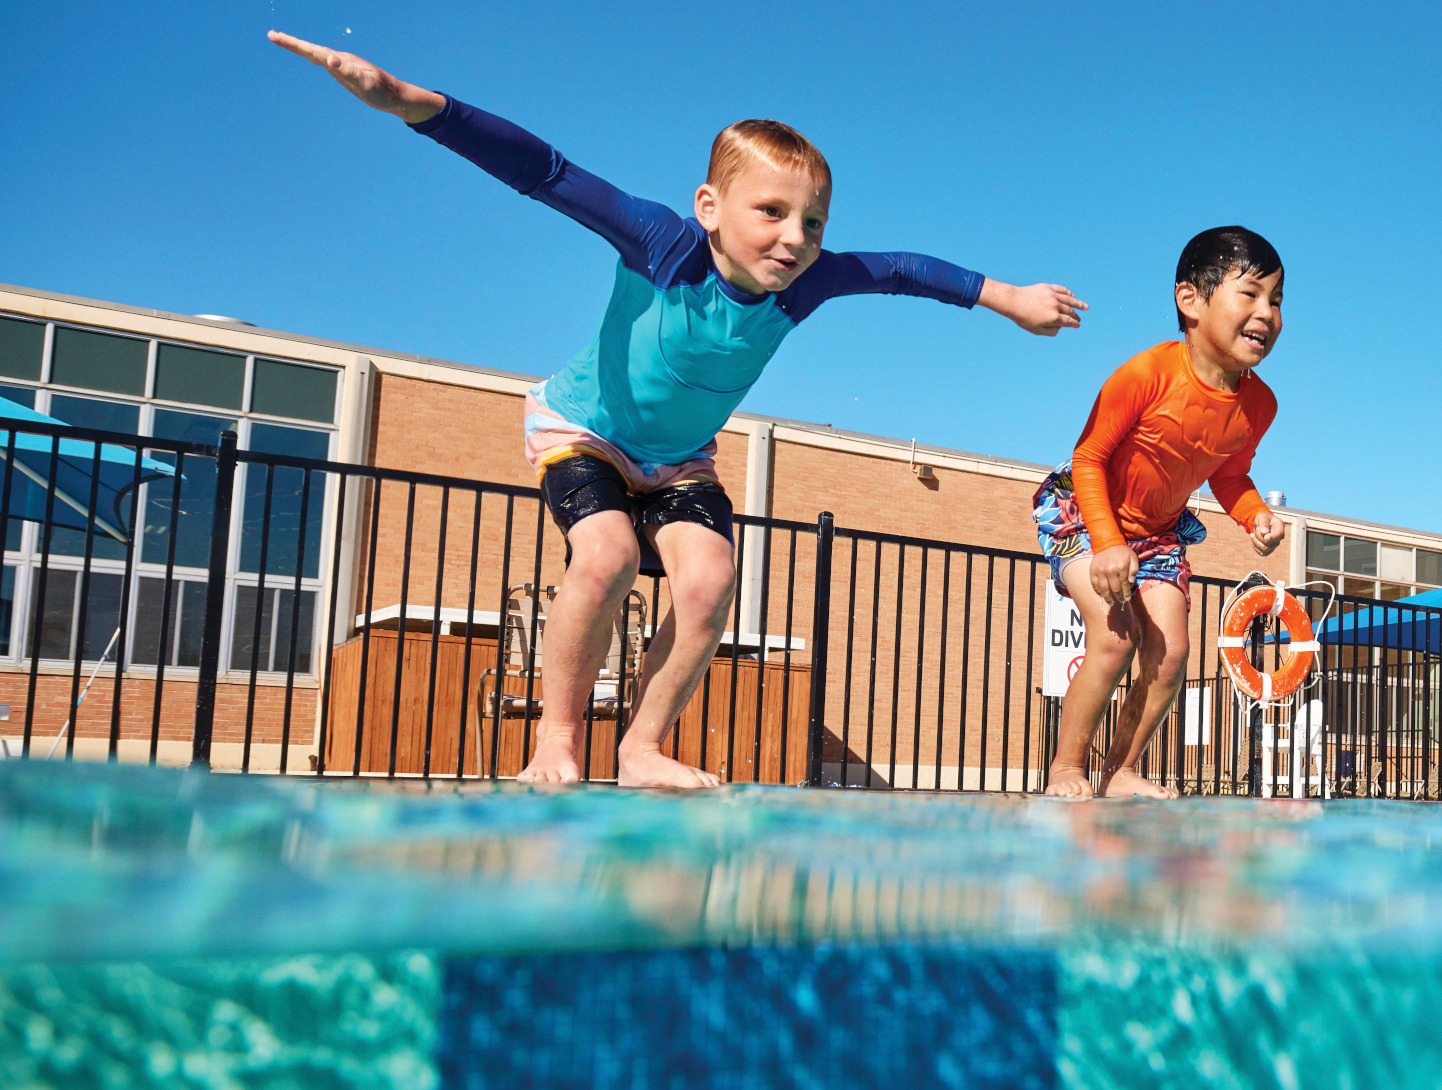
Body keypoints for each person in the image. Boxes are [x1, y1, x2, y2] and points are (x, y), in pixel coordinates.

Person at [272, 32, 1087, 788]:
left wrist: (1009, 297)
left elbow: (902, 269)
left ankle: (640, 748)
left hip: (677, 460)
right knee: (605, 559)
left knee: (710, 579)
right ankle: (556, 739)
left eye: (812, 222)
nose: (795, 238)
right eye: (771, 212)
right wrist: (415, 104)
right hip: (583, 431)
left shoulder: (806, 285)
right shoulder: (660, 243)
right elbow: (546, 172)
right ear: (710, 208)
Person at [1035, 228, 1290, 799]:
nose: (1266, 313)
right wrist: (1105, 543)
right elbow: (1090, 457)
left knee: (1172, 650)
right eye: (1249, 294)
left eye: (1276, 300)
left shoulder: (1259, 404)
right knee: (1115, 637)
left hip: (1156, 532)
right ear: (1190, 300)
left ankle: (1120, 770)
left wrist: (1253, 516)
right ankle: (1066, 767)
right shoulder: (1146, 375)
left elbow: (1228, 474)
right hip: (1084, 509)